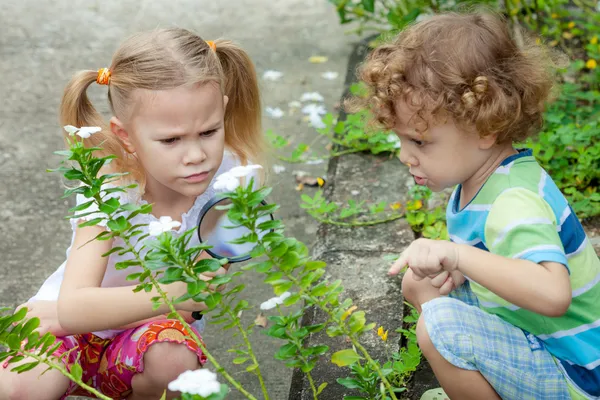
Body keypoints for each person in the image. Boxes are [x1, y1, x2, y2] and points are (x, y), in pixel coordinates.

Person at [0, 28, 265, 400]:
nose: (195, 155)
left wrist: (57, 316)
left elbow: (195, 302)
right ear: (125, 136)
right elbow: (79, 306)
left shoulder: (237, 180)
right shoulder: (110, 183)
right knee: (15, 388)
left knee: (172, 364)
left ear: (223, 109)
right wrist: (71, 317)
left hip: (138, 338)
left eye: (209, 131)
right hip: (68, 341)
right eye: (171, 139)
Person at [352, 11, 600, 400]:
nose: (405, 156)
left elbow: (553, 294)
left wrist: (458, 256)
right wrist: (462, 267)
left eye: (420, 142)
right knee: (420, 282)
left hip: (576, 376)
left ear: (486, 129)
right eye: (401, 140)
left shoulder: (513, 200)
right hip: (543, 344)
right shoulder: (482, 180)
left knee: (438, 326)